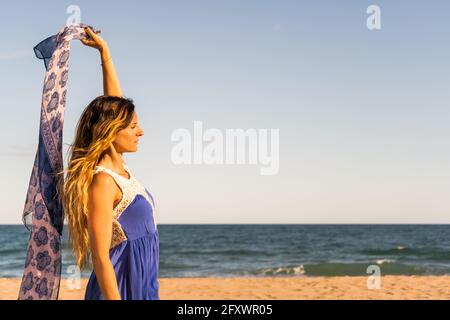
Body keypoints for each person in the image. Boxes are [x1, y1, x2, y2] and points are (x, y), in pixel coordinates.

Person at [62, 27, 159, 300]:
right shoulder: (103, 181)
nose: (140, 132)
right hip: (122, 285)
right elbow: (101, 257)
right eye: (134, 127)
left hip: (143, 279)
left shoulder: (121, 169)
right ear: (110, 132)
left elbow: (114, 105)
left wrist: (105, 52)